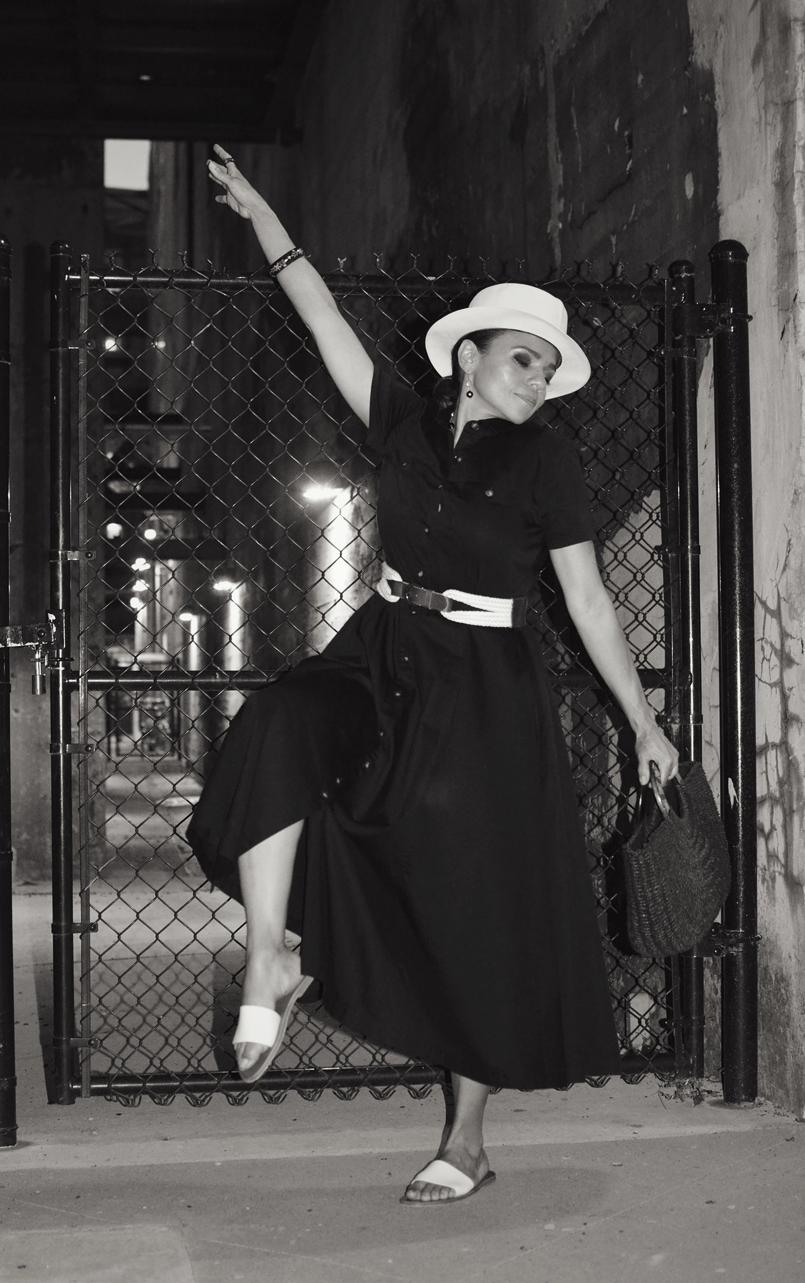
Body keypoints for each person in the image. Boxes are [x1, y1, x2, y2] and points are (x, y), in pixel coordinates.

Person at [188, 144, 680, 1206]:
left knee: (472, 899)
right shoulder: (403, 423)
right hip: (382, 649)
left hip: (486, 687)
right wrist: (266, 218)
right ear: (468, 355)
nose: (537, 379)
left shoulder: (546, 461)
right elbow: (321, 316)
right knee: (280, 720)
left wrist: (642, 720)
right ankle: (272, 954)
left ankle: (467, 1136)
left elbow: (587, 598)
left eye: (548, 369)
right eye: (523, 359)